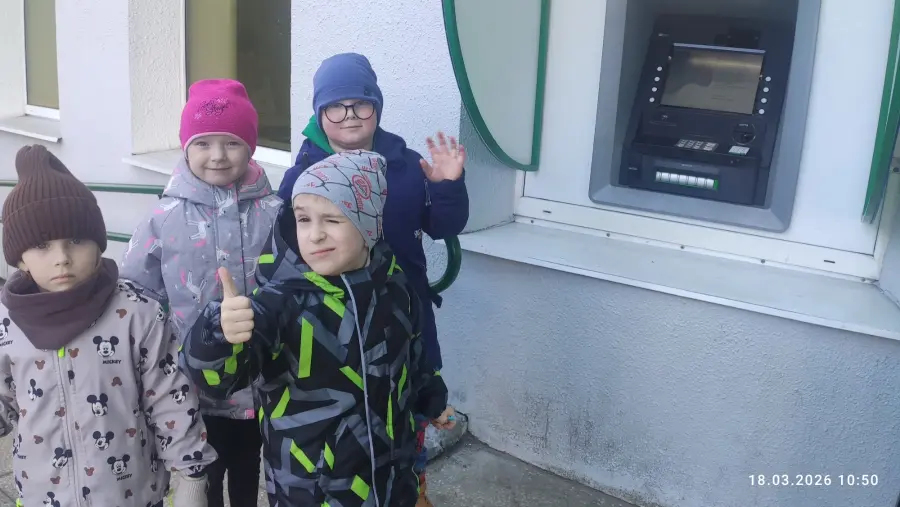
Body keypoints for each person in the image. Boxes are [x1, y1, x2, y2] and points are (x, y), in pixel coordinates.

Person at [183, 150, 456, 507]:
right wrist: (219, 334)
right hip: (313, 491)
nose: (314, 235)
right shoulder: (281, 303)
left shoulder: (395, 287)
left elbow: (414, 358)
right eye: (303, 219)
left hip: (392, 482)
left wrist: (432, 400)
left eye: (332, 219)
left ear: (368, 224)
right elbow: (217, 380)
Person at [276, 53, 469, 506]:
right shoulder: (302, 175)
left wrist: (447, 187)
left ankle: (411, 487)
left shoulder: (405, 164)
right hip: (334, 326)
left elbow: (444, 225)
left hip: (404, 314)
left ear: (376, 107)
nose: (349, 115)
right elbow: (287, 250)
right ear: (319, 113)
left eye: (360, 104)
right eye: (335, 106)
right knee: (352, 422)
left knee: (407, 411)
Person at [0, 144, 215, 506]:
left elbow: (170, 398)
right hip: (42, 495)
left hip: (129, 494)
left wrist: (192, 475)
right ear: (20, 258)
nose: (62, 258)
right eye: (42, 246)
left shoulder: (136, 313)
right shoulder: (8, 323)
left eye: (76, 240)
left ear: (98, 244)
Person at [120, 79, 282, 507]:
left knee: (247, 471)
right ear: (185, 147)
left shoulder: (275, 212)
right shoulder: (162, 217)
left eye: (231, 142)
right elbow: (135, 293)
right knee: (203, 478)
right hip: (190, 385)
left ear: (250, 146)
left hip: (257, 381)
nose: (217, 155)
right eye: (203, 143)